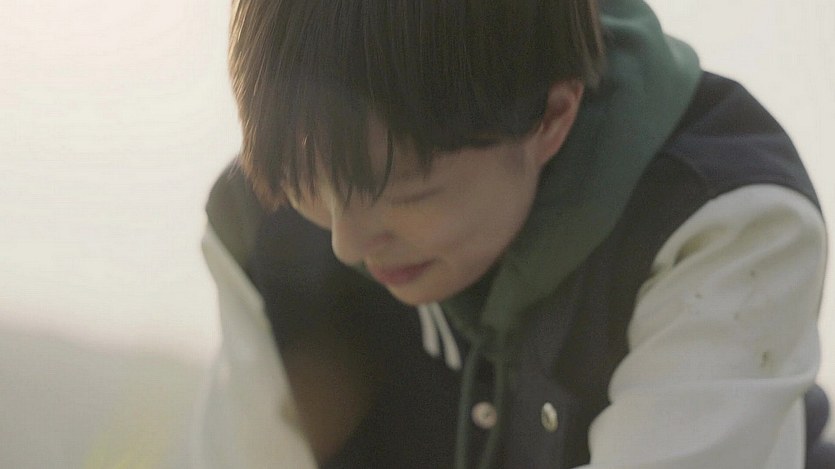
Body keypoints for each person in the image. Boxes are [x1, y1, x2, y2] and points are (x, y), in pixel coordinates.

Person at [196, 0, 834, 467]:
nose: (347, 243)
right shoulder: (258, 232)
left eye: (408, 195)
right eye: (306, 185)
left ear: (552, 116)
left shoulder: (723, 220)